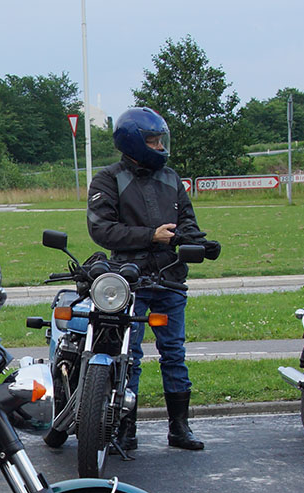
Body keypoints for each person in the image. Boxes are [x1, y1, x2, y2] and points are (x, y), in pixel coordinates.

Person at [86, 107, 219, 452]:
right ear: (133, 142)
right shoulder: (108, 180)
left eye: (161, 140)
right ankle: (124, 427)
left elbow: (186, 223)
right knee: (128, 355)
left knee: (174, 353)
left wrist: (201, 244)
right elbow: (101, 230)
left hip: (170, 278)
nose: (160, 147)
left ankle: (179, 428)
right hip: (130, 282)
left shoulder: (171, 179)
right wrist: (151, 236)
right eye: (153, 141)